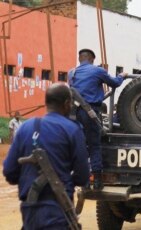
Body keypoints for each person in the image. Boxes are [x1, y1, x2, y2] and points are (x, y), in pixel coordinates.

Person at [3, 83, 90, 229]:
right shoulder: (72, 130)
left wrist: (28, 178)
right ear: (67, 104)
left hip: (29, 213)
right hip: (58, 211)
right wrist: (65, 180)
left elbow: (9, 172)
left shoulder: (25, 127)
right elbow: (82, 176)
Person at [69, 48, 127, 190]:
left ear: (80, 59)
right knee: (94, 145)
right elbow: (114, 83)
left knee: (81, 147)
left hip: (74, 114)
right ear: (92, 59)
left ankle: (85, 182)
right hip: (91, 113)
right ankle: (98, 181)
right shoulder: (97, 71)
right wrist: (122, 76)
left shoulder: (72, 73)